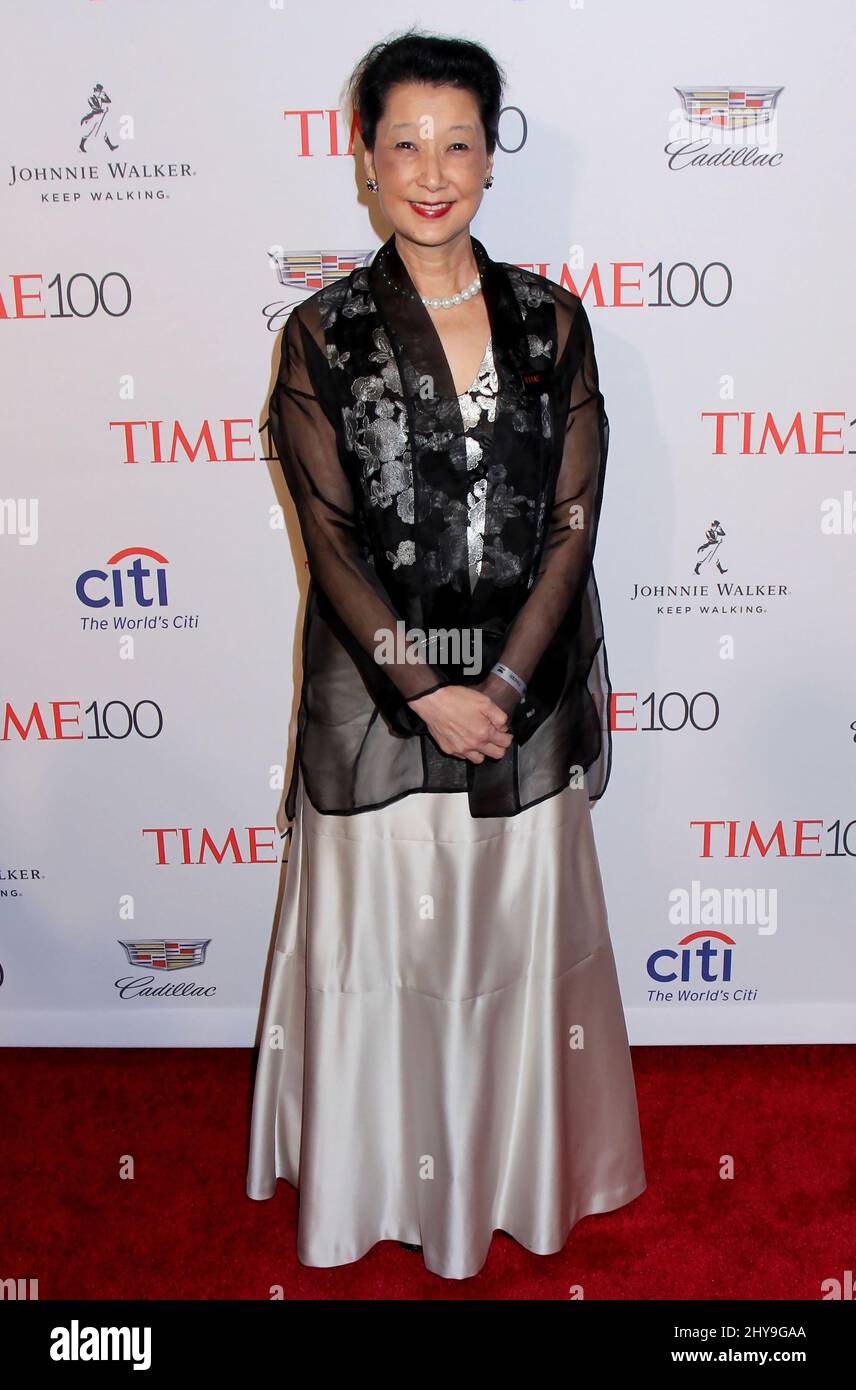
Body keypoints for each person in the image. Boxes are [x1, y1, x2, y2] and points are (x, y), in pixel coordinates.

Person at [246, 28, 647, 1281]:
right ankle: (374, 1178)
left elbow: (574, 523)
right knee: (391, 965)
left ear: (491, 156)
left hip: (519, 705)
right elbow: (329, 538)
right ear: (362, 158)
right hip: (377, 705)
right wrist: (427, 690)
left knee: (505, 959)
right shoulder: (322, 332)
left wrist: (507, 690)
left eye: (457, 143)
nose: (431, 170)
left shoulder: (551, 320)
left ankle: (516, 1170)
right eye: (403, 143)